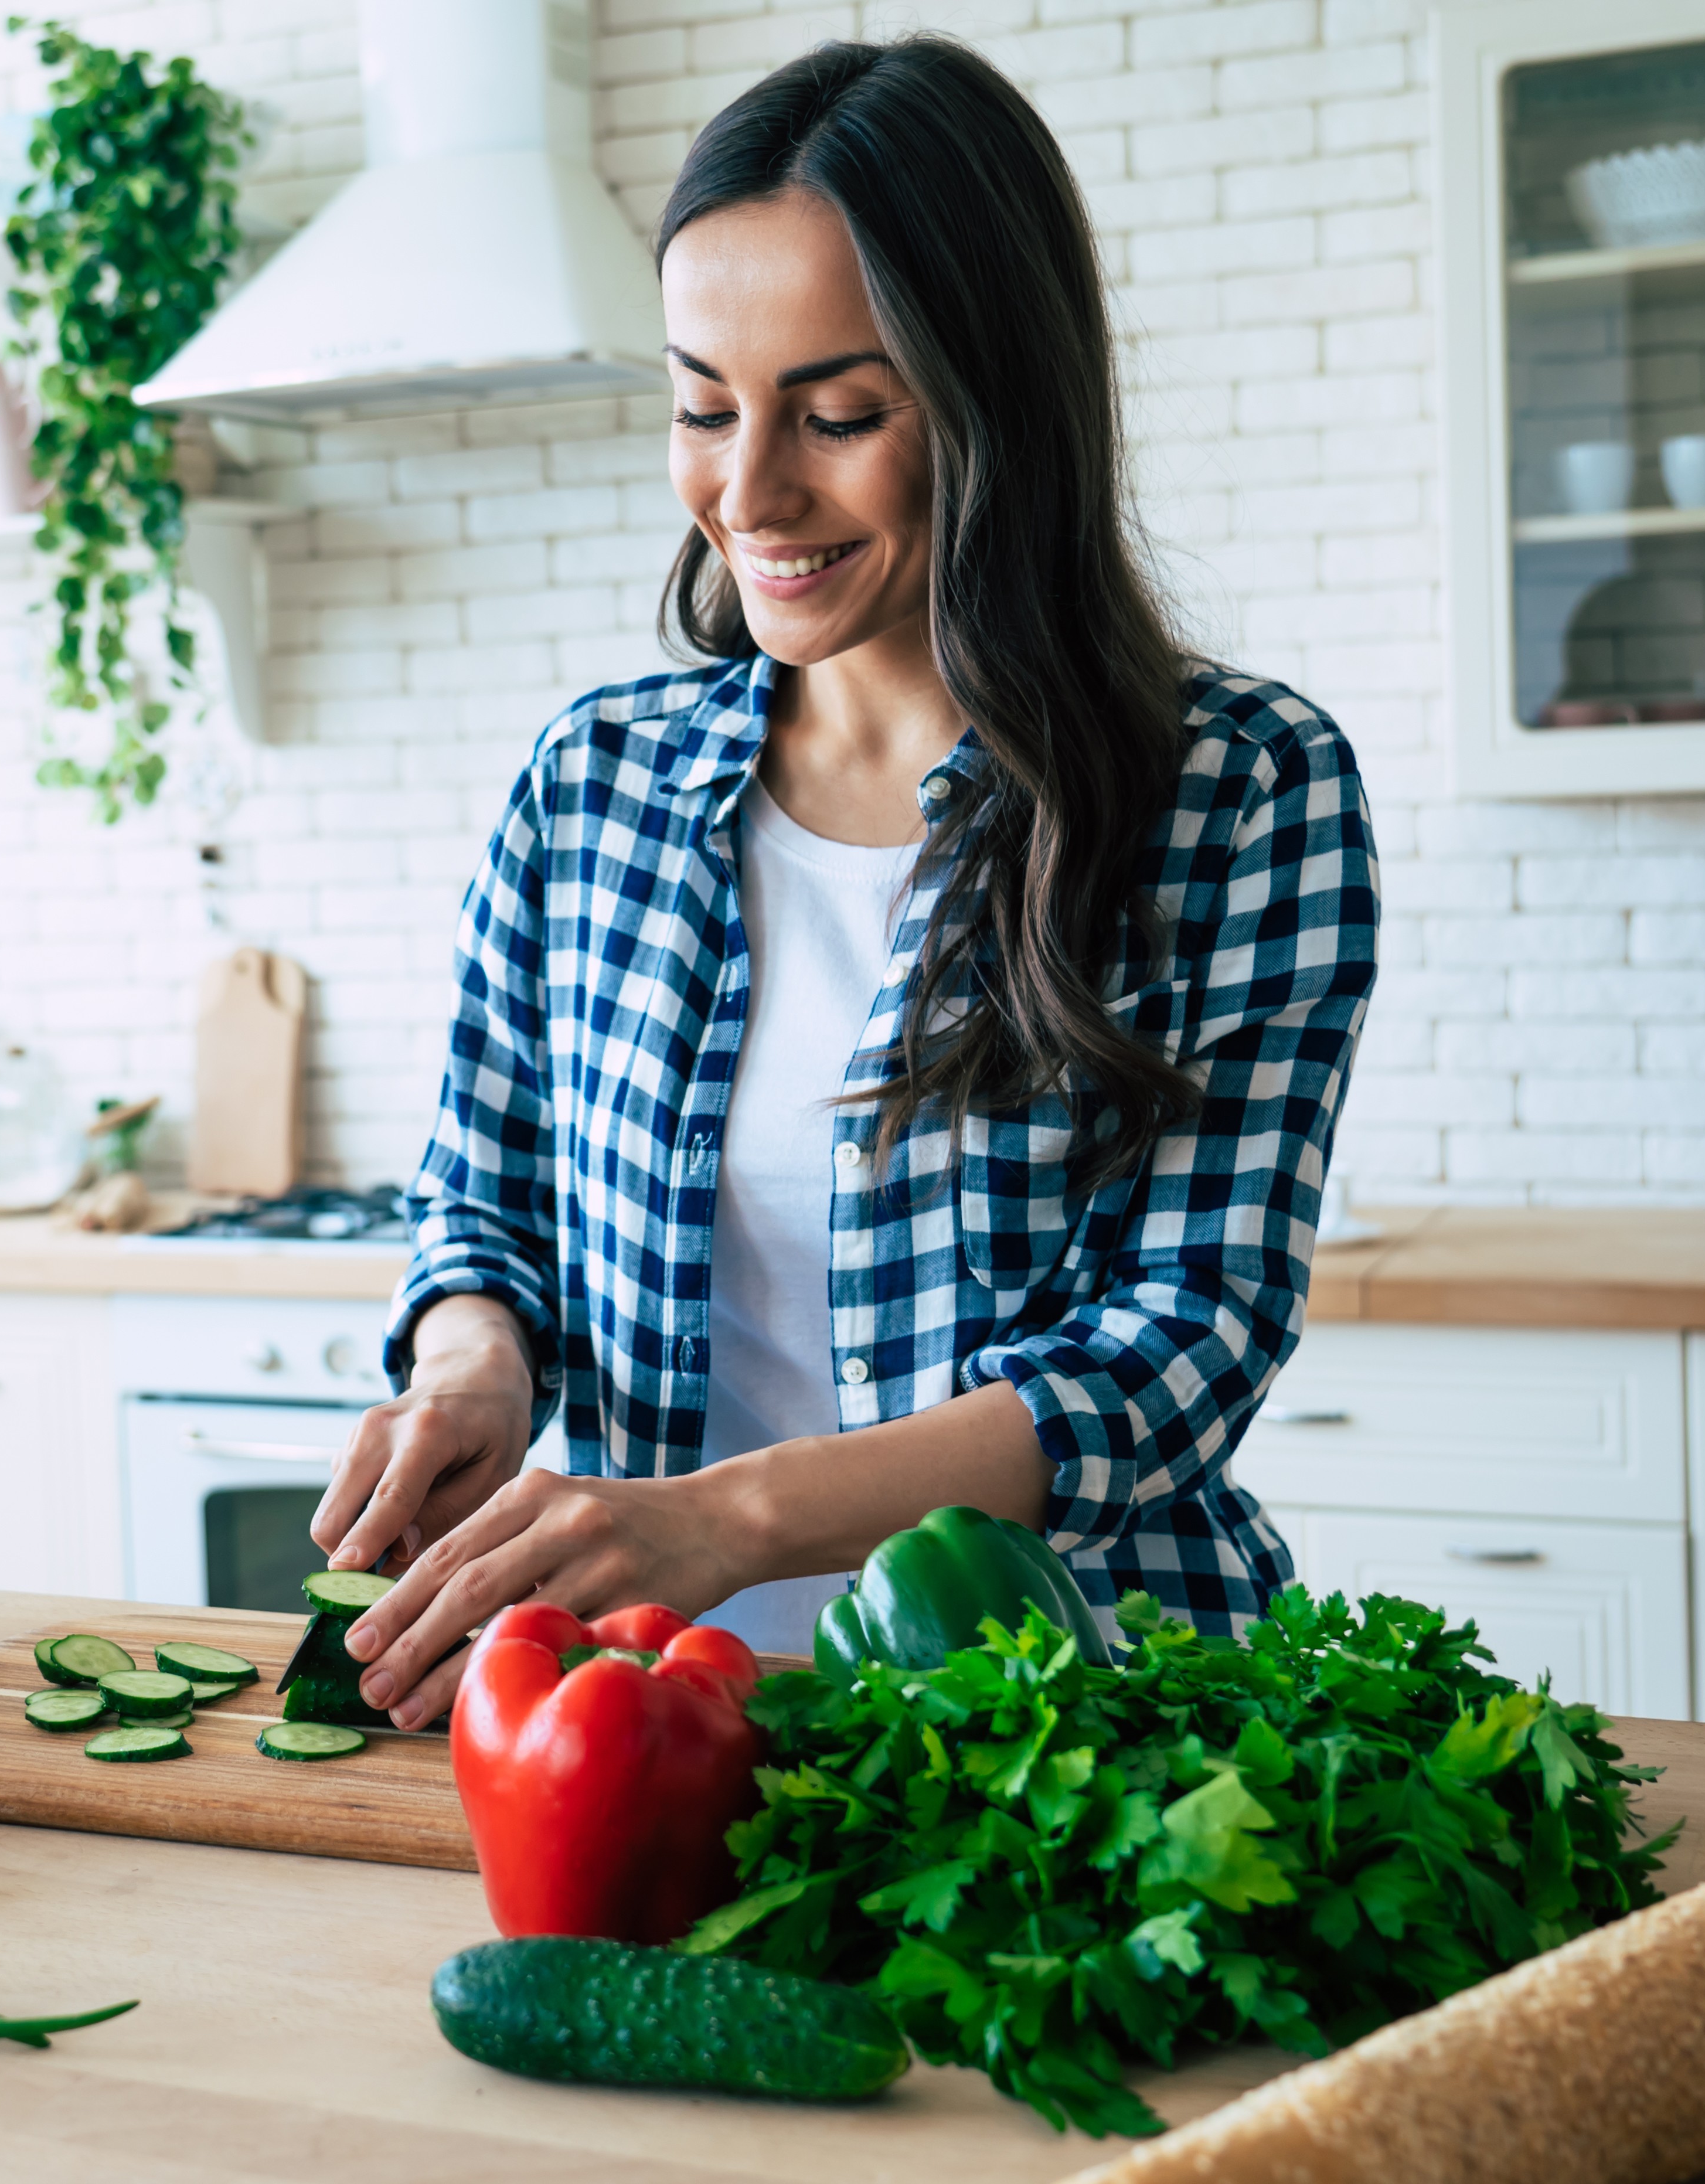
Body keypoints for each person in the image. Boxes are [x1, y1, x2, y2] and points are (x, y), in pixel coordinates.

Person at [309, 33, 1380, 1731]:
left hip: (1084, 1732)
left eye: (840, 414)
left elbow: (1184, 1344)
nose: (749, 493)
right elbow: (483, 1204)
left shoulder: (1235, 791)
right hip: (653, 1724)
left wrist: (724, 1522)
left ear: (993, 401)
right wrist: (473, 1367)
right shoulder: (595, 784)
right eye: (701, 406)